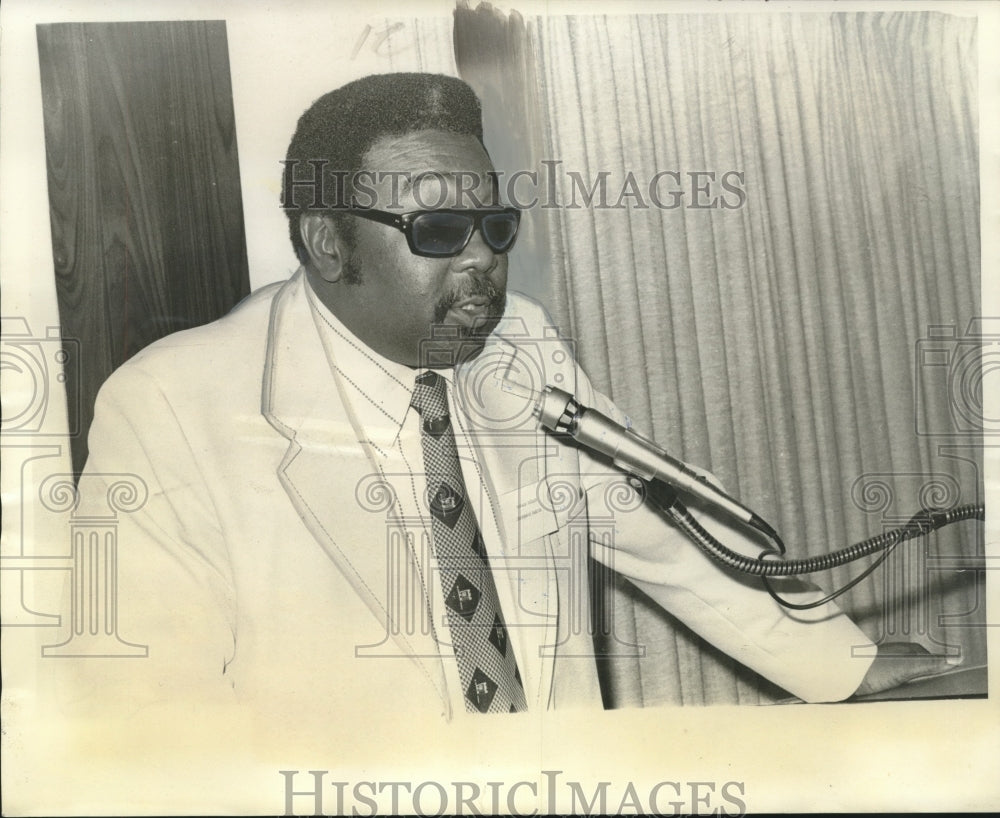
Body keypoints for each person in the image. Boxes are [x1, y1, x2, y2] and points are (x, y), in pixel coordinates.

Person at [72, 72, 942, 725]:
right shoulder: (172, 406)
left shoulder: (519, 342)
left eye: (495, 226)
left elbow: (657, 523)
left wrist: (843, 664)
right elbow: (149, 706)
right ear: (327, 243)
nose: (484, 259)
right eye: (440, 232)